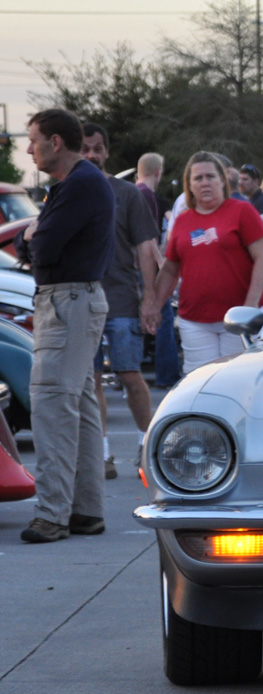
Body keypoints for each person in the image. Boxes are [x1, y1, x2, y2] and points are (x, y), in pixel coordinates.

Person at [12, 109, 113, 543]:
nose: (28, 148)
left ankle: (52, 515)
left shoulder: (79, 185)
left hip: (68, 301)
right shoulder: (77, 184)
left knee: (52, 404)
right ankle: (85, 511)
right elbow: (27, 241)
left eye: (33, 140)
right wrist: (31, 235)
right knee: (80, 405)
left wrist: (35, 235)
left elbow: (44, 247)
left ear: (56, 141)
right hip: (76, 299)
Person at [80, 123, 162, 479]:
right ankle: (103, 455)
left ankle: (149, 448)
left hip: (123, 301)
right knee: (92, 379)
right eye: (84, 149)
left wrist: (150, 300)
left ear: (107, 151)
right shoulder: (65, 192)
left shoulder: (127, 194)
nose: (91, 155)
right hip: (81, 302)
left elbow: (147, 249)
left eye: (97, 148)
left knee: (130, 375)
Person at [155, 151, 263, 374]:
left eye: (210, 176)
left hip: (239, 320)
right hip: (196, 321)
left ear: (222, 180)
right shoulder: (182, 221)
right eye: (198, 178)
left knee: (238, 381)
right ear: (189, 185)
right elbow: (170, 269)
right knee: (200, 383)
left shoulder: (242, 211)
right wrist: (153, 306)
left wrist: (248, 307)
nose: (205, 183)